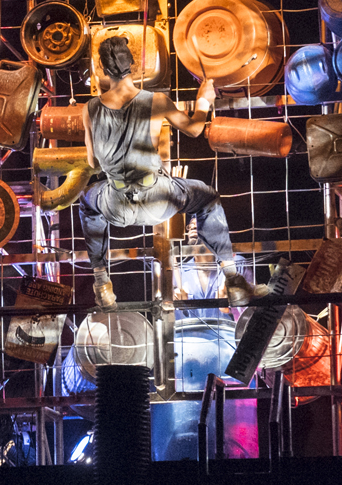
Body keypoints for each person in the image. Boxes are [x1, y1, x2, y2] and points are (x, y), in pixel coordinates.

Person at [79, 35, 254, 309]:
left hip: (117, 205)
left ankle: (101, 281)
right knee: (207, 198)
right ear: (133, 65)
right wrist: (203, 101)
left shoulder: (89, 109)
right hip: (158, 200)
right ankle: (233, 279)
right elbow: (194, 129)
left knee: (88, 201)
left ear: (101, 68)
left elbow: (92, 163)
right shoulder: (157, 101)